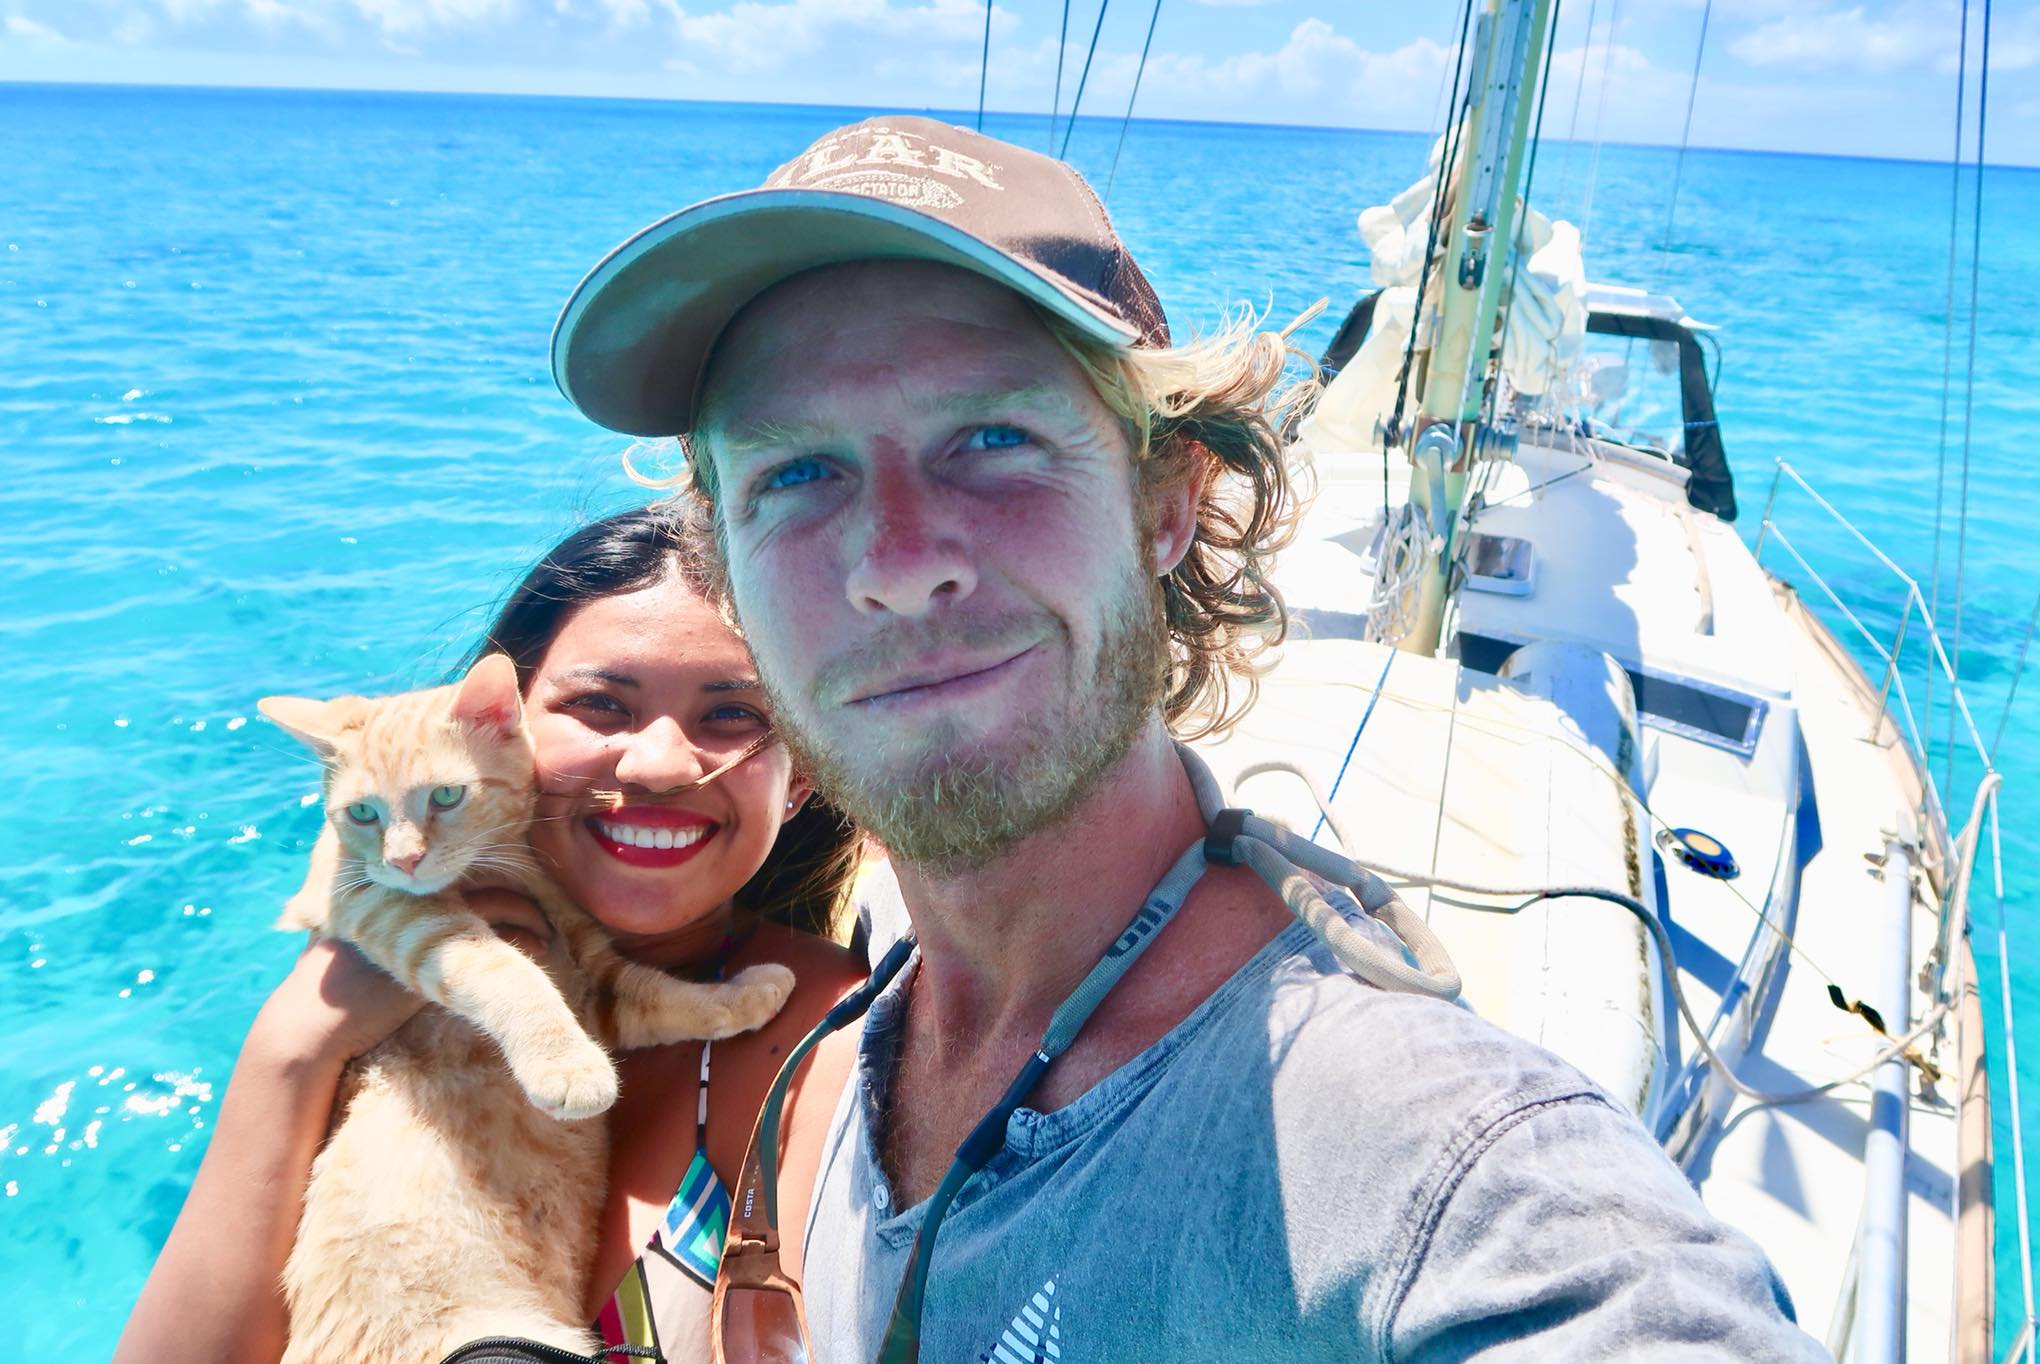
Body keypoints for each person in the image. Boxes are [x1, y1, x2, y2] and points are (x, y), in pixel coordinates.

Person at [548, 116, 1831, 1360]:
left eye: (992, 438)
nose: (896, 561)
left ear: (1164, 501)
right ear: (727, 573)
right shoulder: (837, 1062)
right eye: (795, 473)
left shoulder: (1437, 1165)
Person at [115, 504, 868, 1364]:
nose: (657, 765)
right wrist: (294, 1051)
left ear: (805, 770)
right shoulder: (361, 982)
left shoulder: (829, 1044)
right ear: (506, 724)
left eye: (732, 713)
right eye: (599, 703)